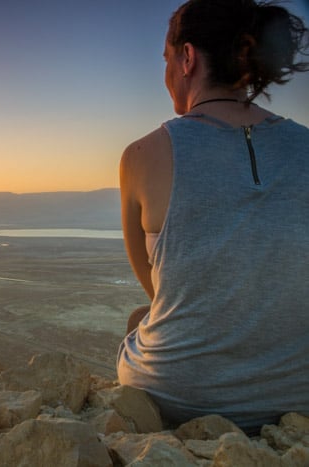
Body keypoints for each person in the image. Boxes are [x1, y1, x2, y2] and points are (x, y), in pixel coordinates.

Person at [117, 0, 309, 434]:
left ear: (187, 59)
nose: (165, 72)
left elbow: (155, 284)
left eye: (167, 59)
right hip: (301, 391)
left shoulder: (143, 155)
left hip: (181, 392)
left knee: (139, 318)